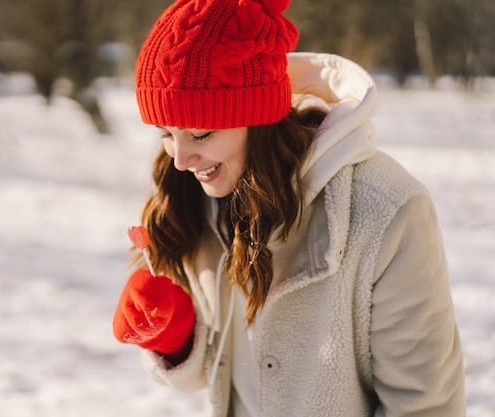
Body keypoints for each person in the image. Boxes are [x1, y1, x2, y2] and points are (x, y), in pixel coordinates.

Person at [112, 0, 466, 415]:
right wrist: (174, 334)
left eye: (202, 133)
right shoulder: (198, 197)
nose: (180, 159)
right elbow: (215, 374)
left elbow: (425, 406)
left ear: (258, 117)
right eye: (165, 134)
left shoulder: (387, 211)